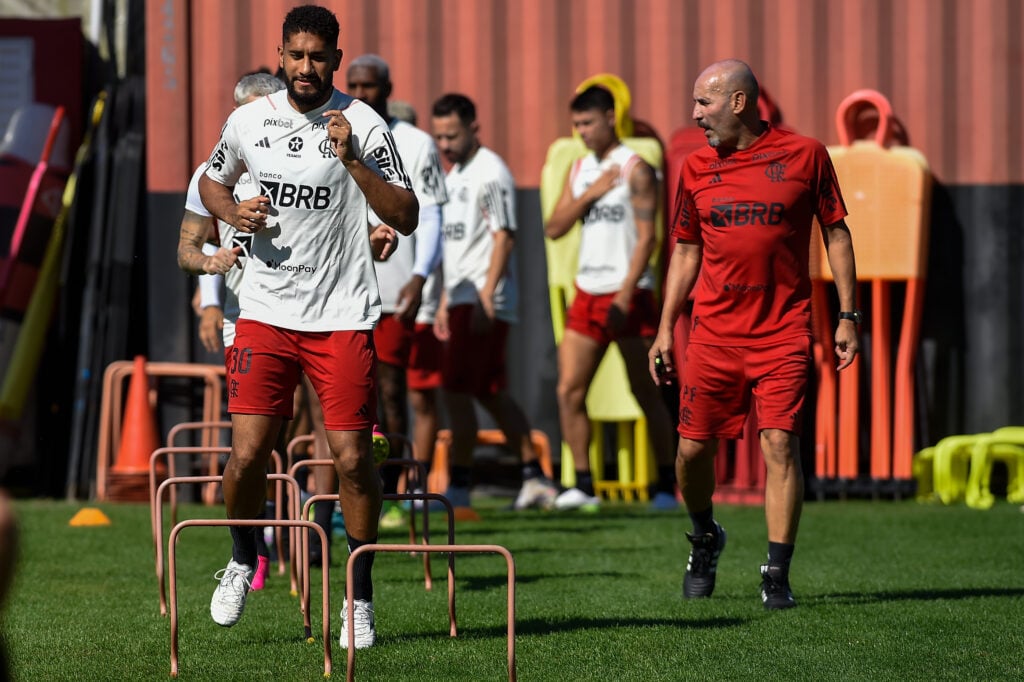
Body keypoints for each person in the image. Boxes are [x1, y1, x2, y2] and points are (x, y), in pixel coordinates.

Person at [190, 5, 418, 650]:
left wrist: (352, 162)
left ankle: (360, 598)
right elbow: (210, 183)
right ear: (281, 56)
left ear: (336, 61)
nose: (306, 67)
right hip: (263, 312)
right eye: (296, 55)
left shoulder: (364, 124)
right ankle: (242, 555)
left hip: (342, 316)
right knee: (246, 455)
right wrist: (234, 208)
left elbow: (406, 216)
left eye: (319, 56)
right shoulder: (248, 119)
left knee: (351, 459)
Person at [649, 59, 859, 610]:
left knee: (780, 444)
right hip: (713, 335)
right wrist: (666, 326)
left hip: (784, 332)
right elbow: (686, 249)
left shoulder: (806, 155)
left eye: (704, 103)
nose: (695, 115)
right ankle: (704, 537)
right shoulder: (694, 167)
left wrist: (846, 316)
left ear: (738, 102)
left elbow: (836, 233)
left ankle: (776, 573)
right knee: (692, 453)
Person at [545, 85, 679, 512]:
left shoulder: (637, 169)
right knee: (569, 390)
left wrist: (625, 294)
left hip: (628, 294)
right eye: (577, 125)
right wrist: (590, 194)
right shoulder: (581, 168)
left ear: (609, 118)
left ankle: (664, 486)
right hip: (587, 291)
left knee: (645, 390)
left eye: (588, 123)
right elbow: (554, 227)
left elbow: (648, 238)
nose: (582, 132)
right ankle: (584, 486)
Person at [178, 70, 287, 591]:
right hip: (245, 318)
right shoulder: (212, 173)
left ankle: (315, 527)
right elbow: (189, 251)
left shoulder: (306, 156)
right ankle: (253, 545)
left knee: (313, 432)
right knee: (254, 443)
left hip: (314, 311)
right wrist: (210, 275)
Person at [430, 93, 559, 511]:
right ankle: (534, 478)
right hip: (463, 300)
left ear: (473, 128)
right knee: (488, 392)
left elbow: (505, 235)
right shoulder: (453, 176)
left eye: (452, 135)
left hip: (485, 302)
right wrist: (446, 299)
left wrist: (485, 296)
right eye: (440, 137)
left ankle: (460, 488)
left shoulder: (492, 172)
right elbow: (457, 247)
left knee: (454, 392)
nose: (445, 145)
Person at [344, 54, 447, 529]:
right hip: (344, 285)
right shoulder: (336, 136)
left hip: (394, 286)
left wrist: (421, 275)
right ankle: (362, 492)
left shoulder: (416, 143)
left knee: (393, 391)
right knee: (354, 394)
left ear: (387, 88)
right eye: (355, 86)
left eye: (370, 86)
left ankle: (399, 490)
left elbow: (430, 216)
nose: (362, 95)